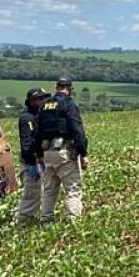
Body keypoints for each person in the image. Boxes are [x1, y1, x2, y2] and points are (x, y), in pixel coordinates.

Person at [34, 75, 88, 223]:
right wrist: (83, 153)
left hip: (47, 153)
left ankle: (46, 220)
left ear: (56, 87)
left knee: (50, 190)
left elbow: (37, 132)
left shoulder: (45, 105)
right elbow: (77, 129)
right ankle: (72, 221)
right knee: (73, 188)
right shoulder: (69, 104)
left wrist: (38, 154)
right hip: (65, 152)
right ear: (70, 89)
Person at [13, 87, 48, 223]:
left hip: (39, 161)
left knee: (41, 193)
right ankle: (20, 221)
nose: (41, 101)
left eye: (42, 98)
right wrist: (32, 165)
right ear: (31, 101)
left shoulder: (39, 117)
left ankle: (30, 219)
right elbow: (27, 144)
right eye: (38, 99)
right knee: (32, 194)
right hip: (31, 162)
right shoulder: (27, 119)